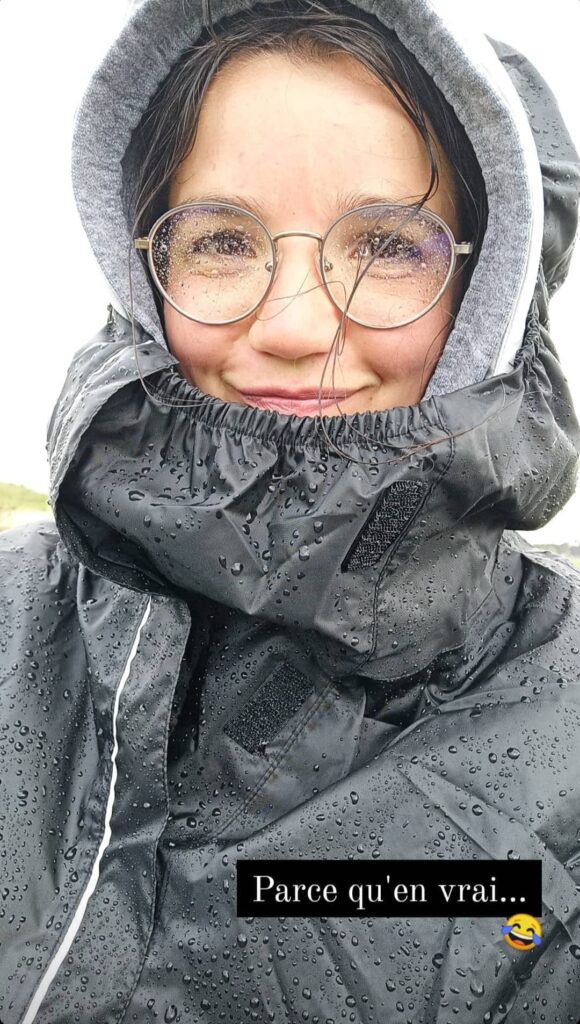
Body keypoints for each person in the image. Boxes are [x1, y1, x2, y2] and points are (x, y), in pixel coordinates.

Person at [1, 0, 580, 1020]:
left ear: (486, 291)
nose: (298, 321)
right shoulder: (11, 619)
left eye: (390, 245)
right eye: (223, 238)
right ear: (147, 271)